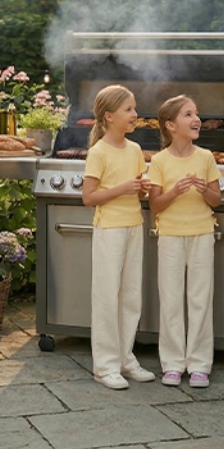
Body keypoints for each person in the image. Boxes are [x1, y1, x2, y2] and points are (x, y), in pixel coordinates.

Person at [82, 84, 154, 390]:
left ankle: (126, 358)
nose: (135, 114)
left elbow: (138, 182)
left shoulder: (135, 150)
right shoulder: (98, 152)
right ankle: (105, 366)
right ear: (109, 116)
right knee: (107, 297)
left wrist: (144, 186)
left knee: (130, 296)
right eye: (129, 110)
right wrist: (124, 188)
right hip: (109, 229)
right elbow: (88, 197)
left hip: (133, 226)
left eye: (135, 109)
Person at [148, 95, 221, 388]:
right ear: (170, 125)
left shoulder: (206, 158)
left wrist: (204, 191)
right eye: (188, 114)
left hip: (202, 234)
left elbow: (216, 199)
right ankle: (173, 364)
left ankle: (200, 364)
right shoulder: (159, 161)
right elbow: (155, 204)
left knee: (200, 299)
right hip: (170, 237)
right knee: (171, 299)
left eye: (197, 113)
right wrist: (175, 191)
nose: (196, 119)